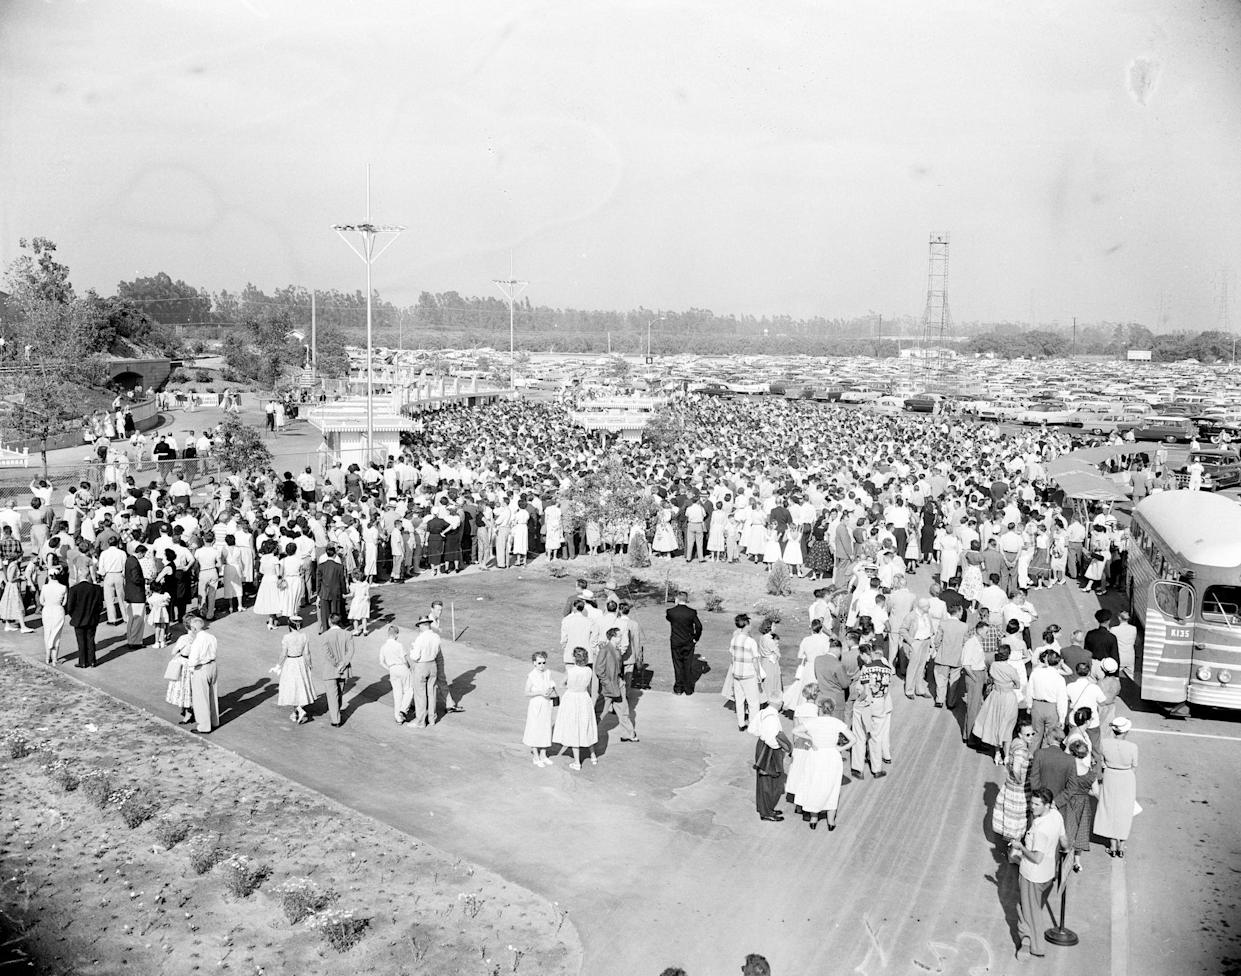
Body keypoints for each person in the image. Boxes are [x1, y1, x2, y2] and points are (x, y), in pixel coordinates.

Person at [1012, 787, 1068, 960]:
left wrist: (1020, 848)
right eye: (1032, 803)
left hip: (1032, 875)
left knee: (1028, 910)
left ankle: (1033, 945)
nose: (1032, 806)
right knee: (1030, 907)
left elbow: (1036, 858)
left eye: (1037, 804)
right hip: (1048, 874)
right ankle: (1028, 938)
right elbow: (1064, 841)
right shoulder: (1056, 816)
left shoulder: (1041, 829)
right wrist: (1067, 851)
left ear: (1047, 805)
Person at [790, 698, 855, 830]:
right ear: (832, 709)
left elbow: (795, 730)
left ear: (820, 709)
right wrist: (840, 748)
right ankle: (831, 821)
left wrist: (810, 738)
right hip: (832, 756)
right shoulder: (837, 723)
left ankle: (814, 818)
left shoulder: (814, 722)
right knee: (832, 788)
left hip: (816, 755)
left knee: (814, 784)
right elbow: (853, 739)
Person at [1095, 716, 1139, 858]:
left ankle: (1113, 844)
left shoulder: (1105, 743)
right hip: (1126, 777)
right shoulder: (1132, 747)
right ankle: (1122, 845)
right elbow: (1134, 766)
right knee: (1125, 810)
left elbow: (1102, 761)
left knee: (1110, 808)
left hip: (1110, 776)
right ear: (1126, 731)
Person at [972, 646, 1023, 764]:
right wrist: (1009, 685)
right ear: (1009, 655)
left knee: (996, 724)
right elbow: (1018, 685)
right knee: (1008, 726)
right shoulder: (1011, 669)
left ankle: (997, 753)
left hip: (995, 696)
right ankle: (1007, 756)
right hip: (1008, 697)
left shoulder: (994, 666)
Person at [552, 646, 599, 770]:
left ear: (574, 658)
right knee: (585, 725)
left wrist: (570, 686)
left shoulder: (571, 671)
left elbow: (562, 684)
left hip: (572, 698)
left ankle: (577, 762)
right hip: (584, 698)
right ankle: (593, 756)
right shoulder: (589, 671)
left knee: (573, 727)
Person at [992, 720, 1036, 844]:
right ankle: (1014, 846)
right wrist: (1020, 780)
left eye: (1032, 733)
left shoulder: (1016, 742)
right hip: (1018, 789)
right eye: (1027, 735)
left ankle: (1011, 843)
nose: (1031, 737)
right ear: (1020, 735)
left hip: (1010, 785)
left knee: (1010, 816)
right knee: (1017, 819)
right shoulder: (1021, 750)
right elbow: (1016, 768)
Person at [595, 627, 638, 742]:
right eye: (619, 636)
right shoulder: (605, 650)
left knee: (623, 710)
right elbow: (599, 669)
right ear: (613, 637)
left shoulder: (617, 650)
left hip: (618, 683)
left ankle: (628, 734)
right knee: (601, 712)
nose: (621, 638)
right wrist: (606, 682)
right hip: (609, 686)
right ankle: (588, 733)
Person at [753, 697, 792, 821]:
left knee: (763, 781)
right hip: (770, 750)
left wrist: (762, 734)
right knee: (769, 782)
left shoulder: (762, 712)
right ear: (779, 703)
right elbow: (772, 739)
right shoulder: (772, 717)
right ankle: (767, 812)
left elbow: (752, 729)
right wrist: (780, 748)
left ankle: (766, 808)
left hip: (761, 746)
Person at [314, 613, 354, 727]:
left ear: (330, 622)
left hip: (330, 669)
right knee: (340, 692)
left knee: (332, 695)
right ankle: (337, 712)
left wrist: (336, 664)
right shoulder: (347, 634)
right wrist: (343, 664)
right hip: (343, 669)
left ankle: (336, 719)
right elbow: (350, 651)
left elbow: (327, 653)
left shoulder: (325, 636)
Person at [725, 613, 762, 733]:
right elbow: (755, 660)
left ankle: (741, 723)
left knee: (739, 700)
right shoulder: (751, 642)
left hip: (737, 674)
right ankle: (753, 725)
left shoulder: (734, 639)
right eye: (749, 624)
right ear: (746, 625)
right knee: (753, 702)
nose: (751, 626)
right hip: (748, 674)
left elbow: (732, 657)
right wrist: (759, 675)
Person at [275, 621, 316, 725]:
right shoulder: (304, 636)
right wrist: (309, 664)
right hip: (301, 662)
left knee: (291, 687)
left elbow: (283, 653)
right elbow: (307, 653)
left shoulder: (287, 637)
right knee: (300, 686)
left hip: (290, 663)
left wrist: (278, 665)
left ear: (290, 626)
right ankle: (295, 713)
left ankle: (298, 710)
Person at [185, 615, 219, 734]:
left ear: (194, 629)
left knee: (201, 698)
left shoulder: (197, 641)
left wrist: (191, 668)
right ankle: (214, 721)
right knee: (212, 695)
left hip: (201, 667)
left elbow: (193, 660)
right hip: (213, 665)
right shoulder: (211, 637)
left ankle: (204, 726)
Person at [523, 651, 558, 766]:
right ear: (534, 663)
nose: (542, 665)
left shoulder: (548, 672)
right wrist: (540, 693)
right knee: (535, 728)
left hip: (546, 704)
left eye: (543, 663)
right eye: (539, 663)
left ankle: (543, 754)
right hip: (536, 705)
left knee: (546, 728)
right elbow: (526, 692)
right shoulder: (531, 676)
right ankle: (536, 756)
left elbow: (551, 684)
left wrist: (551, 689)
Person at [665, 590, 703, 695]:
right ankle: (688, 689)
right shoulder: (691, 612)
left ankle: (678, 688)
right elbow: (699, 626)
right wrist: (696, 638)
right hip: (688, 641)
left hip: (676, 641)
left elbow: (669, 619)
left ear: (677, 599)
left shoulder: (671, 612)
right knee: (687, 665)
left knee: (678, 665)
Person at [408, 614, 440, 728]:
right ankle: (432, 719)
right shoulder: (436, 637)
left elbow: (415, 656)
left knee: (420, 694)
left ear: (422, 625)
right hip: (433, 664)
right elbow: (437, 651)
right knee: (432, 693)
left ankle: (420, 721)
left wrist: (412, 650)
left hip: (421, 665)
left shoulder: (420, 638)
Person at [65, 573, 104, 668]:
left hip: (78, 619)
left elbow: (70, 607)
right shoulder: (97, 588)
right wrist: (95, 615)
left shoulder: (74, 589)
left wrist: (74, 616)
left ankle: (82, 661)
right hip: (92, 618)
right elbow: (100, 605)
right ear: (88, 576)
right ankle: (92, 661)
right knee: (90, 639)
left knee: (81, 641)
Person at [378, 624, 413, 725]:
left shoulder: (383, 647)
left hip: (392, 669)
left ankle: (398, 717)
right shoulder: (399, 645)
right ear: (396, 634)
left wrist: (389, 668)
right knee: (409, 689)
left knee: (397, 693)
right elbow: (404, 659)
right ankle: (403, 710)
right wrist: (409, 667)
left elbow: (381, 662)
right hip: (402, 667)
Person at [39, 565, 69, 664]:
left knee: (47, 633)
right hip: (58, 610)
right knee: (57, 635)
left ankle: (47, 657)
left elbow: (41, 601)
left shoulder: (44, 587)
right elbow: (64, 603)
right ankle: (55, 658)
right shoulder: (63, 587)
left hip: (47, 610)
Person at [164, 633, 194, 724]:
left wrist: (180, 652)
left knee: (183, 687)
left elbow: (173, 651)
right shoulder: (198, 638)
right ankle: (187, 708)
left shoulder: (184, 638)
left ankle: (188, 712)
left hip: (184, 664)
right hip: (193, 664)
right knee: (190, 687)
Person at [316, 546, 347, 632]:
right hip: (336, 592)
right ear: (335, 555)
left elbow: (318, 581)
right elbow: (342, 580)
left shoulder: (321, 566)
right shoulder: (339, 566)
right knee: (335, 612)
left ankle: (326, 629)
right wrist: (344, 591)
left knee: (325, 613)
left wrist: (318, 593)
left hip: (324, 592)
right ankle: (335, 629)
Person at [123, 545, 148, 648]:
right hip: (137, 594)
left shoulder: (129, 560)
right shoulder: (134, 562)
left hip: (130, 593)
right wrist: (144, 580)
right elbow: (136, 578)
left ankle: (131, 639)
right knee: (138, 619)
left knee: (131, 619)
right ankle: (136, 641)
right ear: (140, 553)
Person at [347, 571, 370, 637]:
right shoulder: (365, 584)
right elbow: (367, 594)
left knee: (355, 618)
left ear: (354, 578)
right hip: (364, 601)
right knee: (364, 617)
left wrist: (345, 596)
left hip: (356, 602)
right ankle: (365, 630)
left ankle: (356, 630)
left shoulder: (353, 585)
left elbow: (352, 594)